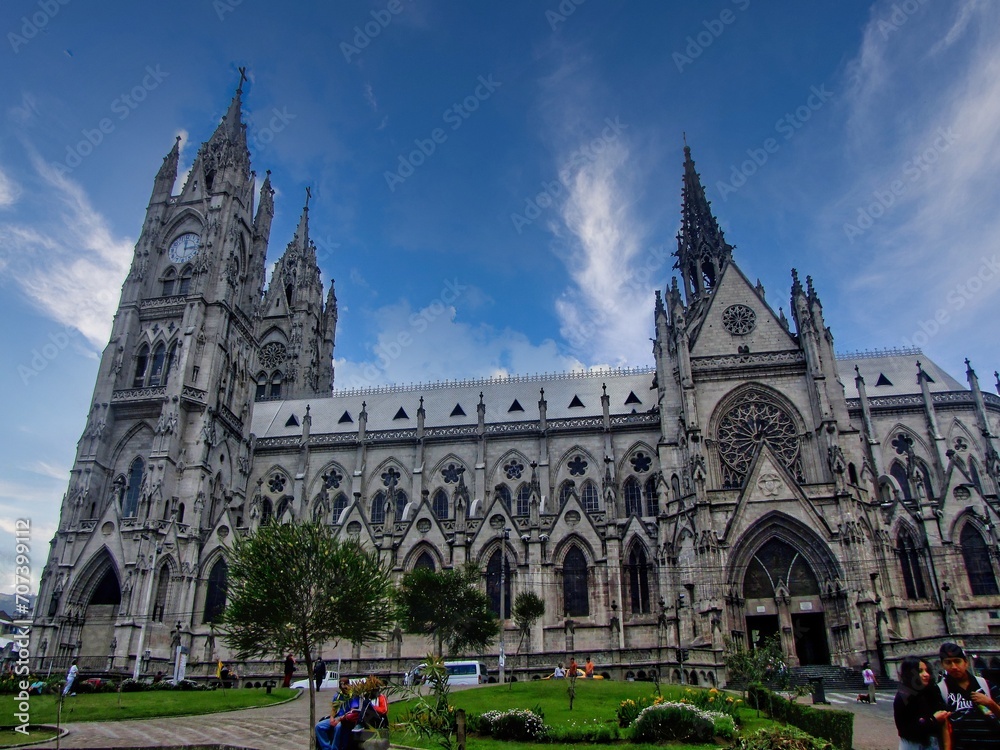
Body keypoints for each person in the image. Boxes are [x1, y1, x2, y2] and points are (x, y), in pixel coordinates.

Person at [938, 642, 1000, 749]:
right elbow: (945, 729)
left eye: (957, 661)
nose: (954, 667)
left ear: (966, 663)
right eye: (948, 662)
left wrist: (990, 703)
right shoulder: (941, 690)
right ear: (942, 665)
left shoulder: (986, 685)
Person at [894, 656, 948, 750]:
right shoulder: (903, 696)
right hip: (913, 745)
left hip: (934, 744)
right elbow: (905, 730)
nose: (926, 674)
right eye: (920, 671)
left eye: (927, 670)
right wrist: (933, 720)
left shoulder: (932, 691)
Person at [316, 677, 361, 750]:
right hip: (338, 717)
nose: (343, 689)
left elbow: (352, 711)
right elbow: (334, 709)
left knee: (338, 727)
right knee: (319, 726)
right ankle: (326, 747)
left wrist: (339, 720)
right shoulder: (338, 696)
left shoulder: (354, 695)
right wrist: (331, 718)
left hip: (346, 719)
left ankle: (335, 748)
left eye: (345, 686)